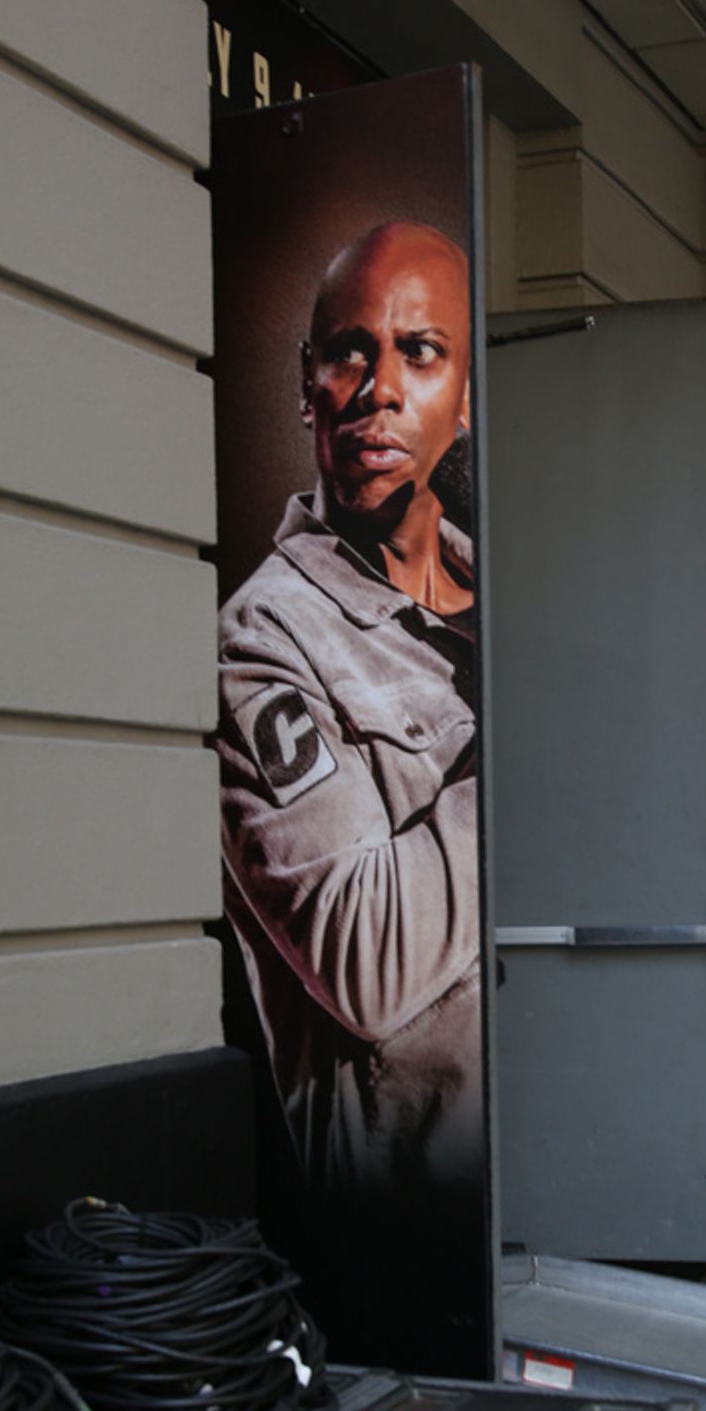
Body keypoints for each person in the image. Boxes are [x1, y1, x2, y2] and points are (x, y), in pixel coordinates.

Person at [217, 221, 483, 1199]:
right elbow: (366, 964)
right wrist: (534, 746)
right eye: (349, 352)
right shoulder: (262, 643)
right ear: (307, 384)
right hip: (422, 1211)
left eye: (420, 351)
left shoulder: (512, 595)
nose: (379, 389)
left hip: (569, 1152)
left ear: (463, 398)